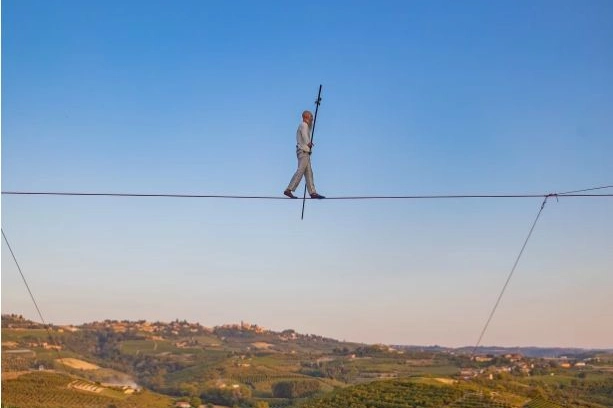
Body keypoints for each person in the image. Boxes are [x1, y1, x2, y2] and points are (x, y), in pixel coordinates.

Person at [284, 110, 325, 199]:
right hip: (303, 152)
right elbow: (304, 135)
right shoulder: (304, 125)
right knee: (300, 171)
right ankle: (289, 189)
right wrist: (308, 143)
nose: (312, 119)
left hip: (304, 152)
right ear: (306, 117)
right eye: (311, 117)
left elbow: (307, 131)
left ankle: (312, 192)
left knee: (309, 173)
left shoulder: (305, 126)